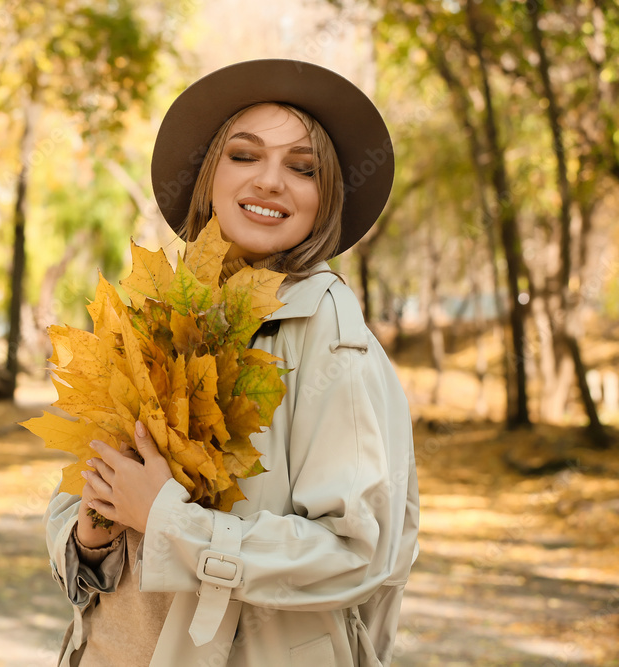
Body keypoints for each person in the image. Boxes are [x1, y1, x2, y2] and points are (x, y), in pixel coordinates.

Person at [43, 59, 420, 667]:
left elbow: (356, 553)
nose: (271, 181)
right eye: (245, 156)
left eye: (303, 168)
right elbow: (80, 499)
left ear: (325, 199)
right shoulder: (165, 311)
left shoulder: (328, 336)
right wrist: (91, 535)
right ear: (208, 176)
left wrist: (170, 521)